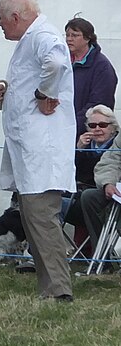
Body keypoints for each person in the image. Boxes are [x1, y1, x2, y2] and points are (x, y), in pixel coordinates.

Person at [0, 0, 75, 302]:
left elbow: (57, 64)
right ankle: (49, 288)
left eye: (1, 20)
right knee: (32, 219)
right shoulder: (30, 39)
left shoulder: (43, 36)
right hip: (29, 152)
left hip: (42, 151)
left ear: (15, 17)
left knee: (41, 220)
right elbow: (34, 78)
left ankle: (58, 290)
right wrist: (4, 93)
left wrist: (42, 94)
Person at [61, 105, 119, 256]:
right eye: (92, 125)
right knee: (48, 202)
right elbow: (65, 173)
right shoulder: (83, 145)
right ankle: (42, 255)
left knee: (87, 197)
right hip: (76, 196)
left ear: (113, 128)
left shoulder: (115, 144)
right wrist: (78, 150)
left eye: (103, 125)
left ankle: (100, 256)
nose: (97, 129)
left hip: (99, 199)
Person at [65, 17, 117, 142]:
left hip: (85, 135)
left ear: (88, 38)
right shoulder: (62, 61)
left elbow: (99, 103)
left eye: (75, 35)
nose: (69, 39)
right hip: (61, 128)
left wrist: (70, 125)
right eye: (67, 35)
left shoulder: (102, 67)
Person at [80, 130, 121, 260]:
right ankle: (103, 257)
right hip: (118, 191)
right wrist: (108, 183)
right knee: (89, 197)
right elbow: (111, 161)